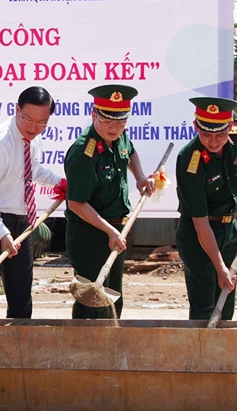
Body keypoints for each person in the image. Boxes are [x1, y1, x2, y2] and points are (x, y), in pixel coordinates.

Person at [0, 86, 65, 319]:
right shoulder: (0, 142)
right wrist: (1, 232)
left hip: (21, 222)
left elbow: (32, 170)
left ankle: (19, 350)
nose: (33, 128)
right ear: (16, 109)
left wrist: (61, 184)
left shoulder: (33, 137)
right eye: (28, 119)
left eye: (42, 123)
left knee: (21, 296)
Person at [64, 84, 156, 319]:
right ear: (94, 115)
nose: (115, 128)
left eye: (121, 122)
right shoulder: (83, 152)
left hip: (115, 231)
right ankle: (85, 351)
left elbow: (130, 151)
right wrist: (109, 231)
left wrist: (140, 176)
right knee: (92, 301)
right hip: (90, 234)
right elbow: (76, 204)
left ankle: (109, 348)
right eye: (108, 121)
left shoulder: (118, 134)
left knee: (113, 297)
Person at [175, 97, 237, 321]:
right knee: (205, 306)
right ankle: (200, 354)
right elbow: (200, 223)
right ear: (196, 126)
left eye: (220, 134)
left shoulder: (235, 138)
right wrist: (219, 267)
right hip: (200, 236)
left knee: (226, 302)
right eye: (206, 134)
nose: (214, 141)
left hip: (230, 231)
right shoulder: (190, 160)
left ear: (230, 125)